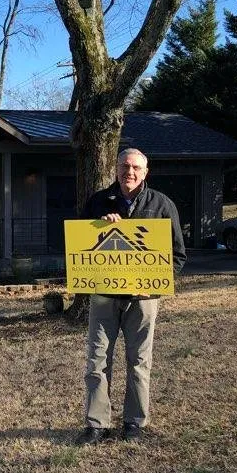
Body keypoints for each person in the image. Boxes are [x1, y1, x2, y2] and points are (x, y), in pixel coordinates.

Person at [76, 148, 186, 444]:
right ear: (116, 168)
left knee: (139, 360)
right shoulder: (98, 202)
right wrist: (100, 226)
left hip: (144, 298)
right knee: (97, 360)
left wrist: (154, 285)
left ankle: (135, 423)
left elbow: (177, 256)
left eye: (136, 167)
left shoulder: (162, 204)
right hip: (104, 295)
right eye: (125, 166)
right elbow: (80, 244)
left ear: (146, 171)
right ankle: (97, 424)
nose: (130, 172)